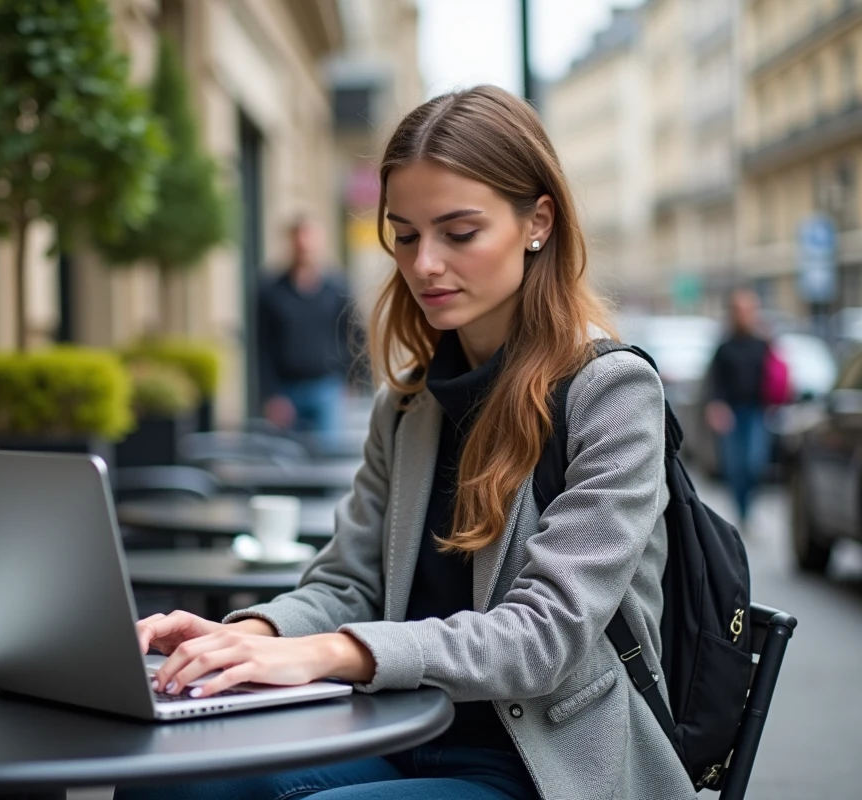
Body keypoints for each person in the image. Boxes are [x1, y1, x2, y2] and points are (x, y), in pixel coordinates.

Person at [120, 86, 691, 800]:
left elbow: (543, 637)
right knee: (168, 781)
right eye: (406, 233)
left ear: (537, 221)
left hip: (547, 766)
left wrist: (335, 652)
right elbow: (347, 583)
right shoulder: (411, 404)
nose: (423, 265)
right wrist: (254, 636)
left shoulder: (610, 391)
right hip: (400, 736)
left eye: (459, 232)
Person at [257, 216, 354, 446]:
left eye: (309, 239)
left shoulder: (337, 289)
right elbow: (263, 346)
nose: (304, 246)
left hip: (327, 388)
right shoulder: (271, 291)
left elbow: (354, 335)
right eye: (299, 240)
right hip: (286, 390)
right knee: (287, 460)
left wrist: (352, 381)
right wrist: (271, 394)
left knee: (327, 457)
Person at [705, 288, 774, 532]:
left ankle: (750, 507)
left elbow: (776, 375)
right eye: (741, 310)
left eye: (749, 310)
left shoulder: (763, 343)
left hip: (757, 412)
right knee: (736, 467)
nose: (745, 315)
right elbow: (713, 381)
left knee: (755, 464)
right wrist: (716, 407)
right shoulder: (724, 347)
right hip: (732, 414)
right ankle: (742, 512)